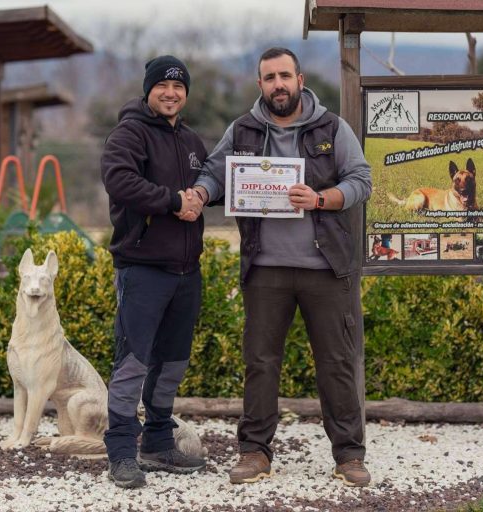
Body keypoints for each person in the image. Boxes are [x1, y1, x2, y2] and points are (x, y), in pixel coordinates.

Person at [183, 47, 372, 487]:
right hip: (265, 268)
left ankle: (349, 455)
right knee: (261, 362)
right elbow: (215, 174)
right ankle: (254, 452)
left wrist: (322, 199)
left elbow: (361, 180)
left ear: (300, 80)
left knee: (337, 362)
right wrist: (198, 194)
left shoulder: (331, 127)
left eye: (285, 76)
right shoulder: (243, 130)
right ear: (260, 85)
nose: (278, 85)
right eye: (269, 78)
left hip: (325, 268)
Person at [100, 55, 207, 489]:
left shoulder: (193, 141)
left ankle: (158, 443)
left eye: (178, 87)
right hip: (142, 269)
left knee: (172, 364)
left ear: (185, 94)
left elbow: (211, 185)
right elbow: (119, 180)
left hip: (186, 271)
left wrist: (204, 193)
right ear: (148, 90)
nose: (170, 92)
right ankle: (122, 452)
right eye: (162, 85)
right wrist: (172, 201)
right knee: (133, 363)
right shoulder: (129, 133)